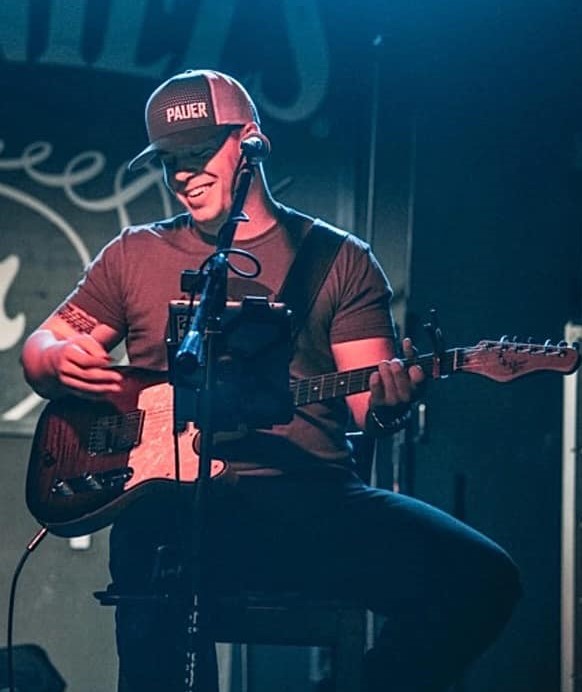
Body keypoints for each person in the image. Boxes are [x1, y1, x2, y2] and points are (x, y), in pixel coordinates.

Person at [21, 69, 520, 692]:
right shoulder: (134, 254)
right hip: (173, 511)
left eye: (201, 153)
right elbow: (43, 344)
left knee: (479, 577)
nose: (183, 174)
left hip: (306, 502)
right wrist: (50, 360)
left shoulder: (337, 257)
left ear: (251, 141)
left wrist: (394, 398)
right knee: (151, 555)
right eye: (170, 160)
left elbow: (368, 404)